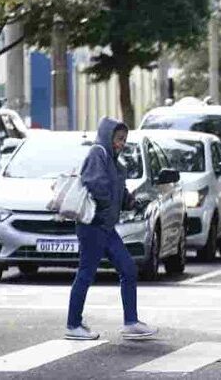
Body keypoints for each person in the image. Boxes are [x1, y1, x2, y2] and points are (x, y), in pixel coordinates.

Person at [65, 117, 156, 340]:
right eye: (118, 139)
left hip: (105, 227)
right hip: (93, 226)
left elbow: (118, 191)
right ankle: (73, 325)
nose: (121, 143)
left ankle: (131, 323)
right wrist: (108, 202)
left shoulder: (113, 160)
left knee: (128, 270)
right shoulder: (99, 153)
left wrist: (132, 202)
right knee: (86, 273)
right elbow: (96, 184)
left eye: (124, 139)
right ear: (108, 136)